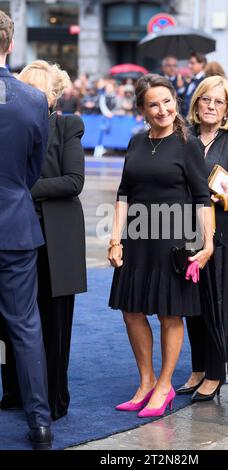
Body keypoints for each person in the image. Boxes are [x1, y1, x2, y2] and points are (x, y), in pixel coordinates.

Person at [108, 73, 214, 417]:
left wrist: (208, 243)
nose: (162, 109)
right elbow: (124, 192)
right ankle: (146, 381)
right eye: (153, 104)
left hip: (173, 240)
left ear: (176, 104)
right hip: (137, 239)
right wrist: (115, 239)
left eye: (167, 102)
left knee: (170, 314)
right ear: (142, 109)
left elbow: (202, 198)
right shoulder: (137, 142)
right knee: (131, 311)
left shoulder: (189, 144)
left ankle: (165, 386)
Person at [0, 60, 87, 421]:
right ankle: (15, 391)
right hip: (19, 229)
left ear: (53, 94)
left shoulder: (67, 125)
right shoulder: (13, 119)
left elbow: (73, 180)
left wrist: (22, 190)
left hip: (54, 237)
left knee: (51, 322)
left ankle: (53, 397)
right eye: (28, 84)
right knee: (11, 324)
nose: (34, 92)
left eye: (41, 86)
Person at [177, 76, 228, 401]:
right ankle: (197, 369)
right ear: (196, 103)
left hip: (226, 235)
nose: (211, 106)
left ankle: (215, 373)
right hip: (186, 233)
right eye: (205, 100)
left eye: (219, 102)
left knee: (218, 306)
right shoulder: (184, 137)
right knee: (191, 306)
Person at [0, 11, 52, 449]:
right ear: (10, 45)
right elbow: (33, 169)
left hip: (15, 223)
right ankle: (39, 421)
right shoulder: (34, 100)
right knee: (25, 326)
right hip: (15, 225)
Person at [182, 52, 207, 117]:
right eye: (189, 63)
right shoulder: (190, 80)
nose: (189, 66)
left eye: (192, 63)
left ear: (202, 64)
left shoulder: (205, 82)